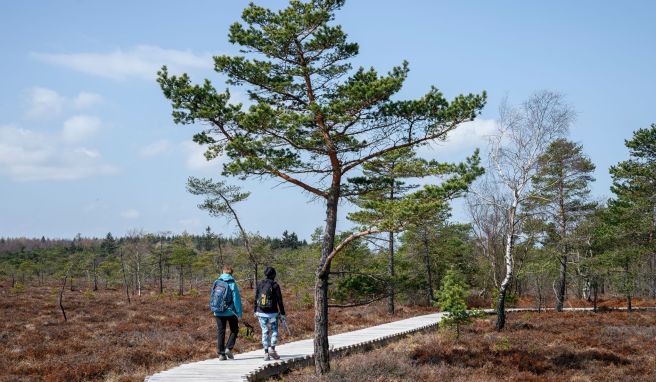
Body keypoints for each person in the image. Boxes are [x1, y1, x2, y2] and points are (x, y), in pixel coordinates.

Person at [255, 266, 286, 361]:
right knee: (274, 331)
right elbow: (279, 301)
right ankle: (272, 349)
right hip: (273, 313)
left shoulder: (260, 284)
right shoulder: (275, 285)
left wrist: (255, 310)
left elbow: (256, 298)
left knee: (264, 331)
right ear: (274, 275)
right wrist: (283, 313)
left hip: (261, 312)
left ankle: (266, 353)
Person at [213, 265, 242, 361]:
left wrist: (214, 309)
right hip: (230, 312)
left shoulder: (216, 282)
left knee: (221, 331)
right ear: (231, 273)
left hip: (218, 311)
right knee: (234, 330)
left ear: (223, 272)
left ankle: (221, 354)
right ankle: (228, 348)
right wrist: (239, 313)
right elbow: (236, 299)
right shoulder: (232, 283)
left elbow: (213, 297)